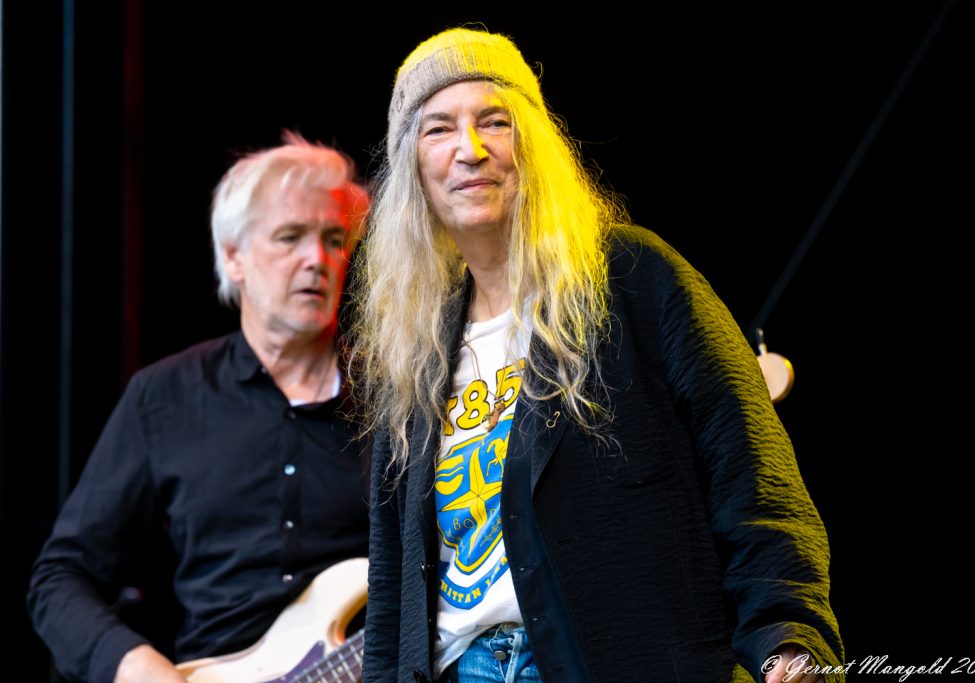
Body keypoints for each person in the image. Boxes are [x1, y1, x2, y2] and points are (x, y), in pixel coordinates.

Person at [351, 28, 844, 683]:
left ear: (534, 146)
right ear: (412, 167)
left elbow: (751, 473)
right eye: (438, 129)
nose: (470, 149)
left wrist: (789, 632)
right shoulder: (414, 348)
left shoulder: (633, 277)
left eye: (494, 121)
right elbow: (393, 589)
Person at [27, 132, 371, 683]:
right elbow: (61, 577)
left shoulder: (395, 397)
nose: (317, 259)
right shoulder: (164, 396)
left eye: (334, 239)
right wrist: (136, 665)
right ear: (234, 257)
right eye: (290, 237)